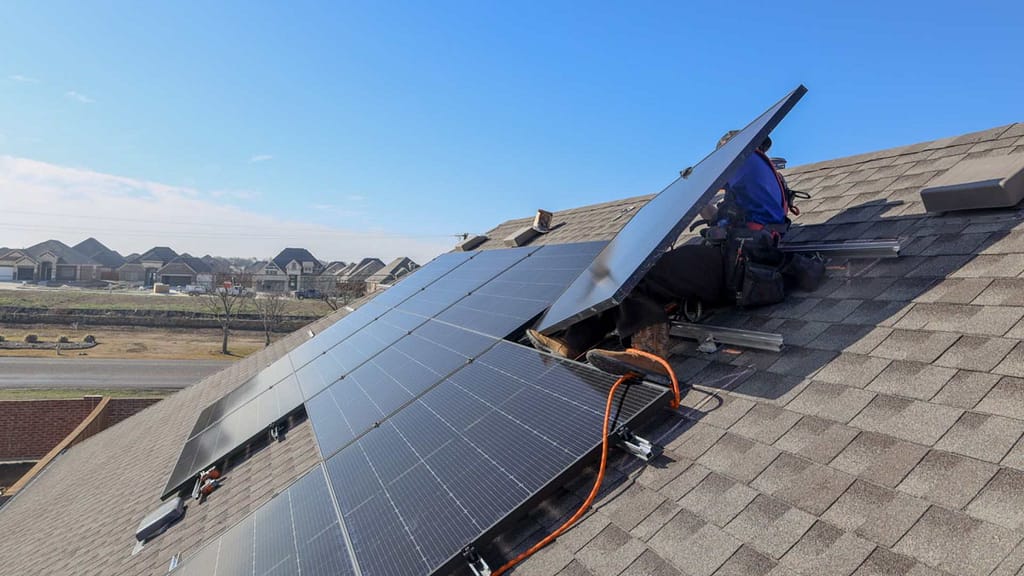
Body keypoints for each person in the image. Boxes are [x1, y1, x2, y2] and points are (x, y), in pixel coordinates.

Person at [527, 131, 797, 381]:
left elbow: (706, 182)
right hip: (733, 257)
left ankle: (649, 354)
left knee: (639, 272)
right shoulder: (755, 177)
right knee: (624, 284)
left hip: (736, 261)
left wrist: (695, 180)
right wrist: (702, 203)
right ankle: (574, 341)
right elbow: (717, 213)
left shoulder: (746, 157)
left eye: (722, 154)